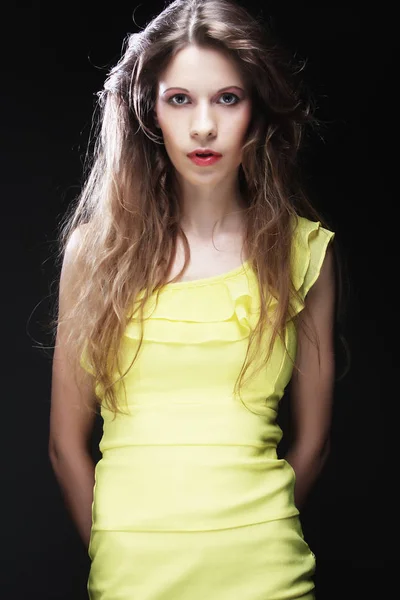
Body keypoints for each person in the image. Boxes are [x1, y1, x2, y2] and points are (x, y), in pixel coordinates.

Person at [48, 1, 345, 598]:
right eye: (180, 98)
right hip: (132, 574)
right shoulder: (94, 255)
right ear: (149, 111)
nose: (203, 126)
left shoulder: (303, 253)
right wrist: (117, 546)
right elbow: (64, 445)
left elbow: (313, 444)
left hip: (267, 574)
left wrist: (246, 533)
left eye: (227, 99)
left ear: (256, 112)